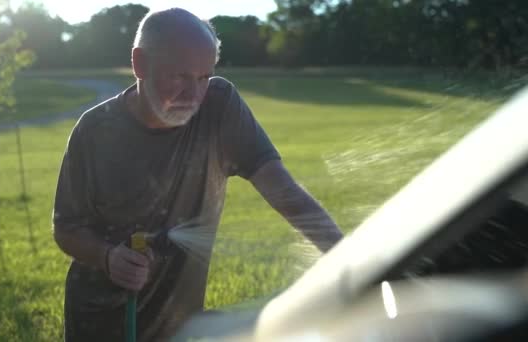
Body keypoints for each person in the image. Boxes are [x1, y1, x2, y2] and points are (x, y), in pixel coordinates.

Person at [52, 7, 343, 341]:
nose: (194, 95)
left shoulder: (219, 106)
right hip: (101, 325)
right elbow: (66, 228)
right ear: (140, 64)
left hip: (182, 327)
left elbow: (285, 192)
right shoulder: (95, 131)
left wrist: (348, 257)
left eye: (203, 77)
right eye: (179, 76)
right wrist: (107, 257)